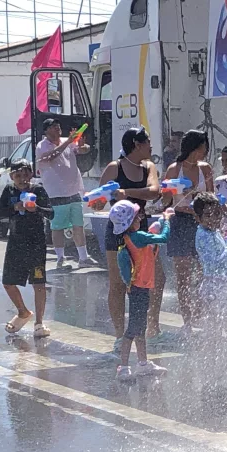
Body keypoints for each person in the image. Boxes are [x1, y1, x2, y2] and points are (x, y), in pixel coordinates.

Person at [94, 127, 163, 354]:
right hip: (117, 231)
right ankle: (118, 334)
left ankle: (149, 329)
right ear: (136, 143)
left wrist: (126, 192)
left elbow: (154, 191)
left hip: (141, 227)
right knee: (118, 283)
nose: (151, 146)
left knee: (151, 280)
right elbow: (97, 203)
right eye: (148, 142)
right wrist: (103, 196)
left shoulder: (148, 166)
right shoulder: (115, 168)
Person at [108, 200, 171, 381]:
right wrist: (166, 220)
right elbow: (164, 238)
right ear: (131, 221)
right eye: (138, 216)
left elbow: (146, 247)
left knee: (140, 327)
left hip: (138, 287)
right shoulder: (140, 237)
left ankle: (143, 363)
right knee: (133, 329)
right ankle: (124, 367)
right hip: (140, 288)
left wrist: (153, 229)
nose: (141, 218)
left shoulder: (131, 238)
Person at [162, 129, 215, 335]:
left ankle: (202, 314)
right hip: (181, 223)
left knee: (205, 272)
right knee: (183, 275)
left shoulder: (206, 168)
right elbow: (166, 200)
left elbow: (212, 196)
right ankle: (187, 321)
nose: (205, 151)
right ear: (195, 148)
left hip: (202, 223)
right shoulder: (175, 169)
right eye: (204, 147)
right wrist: (171, 192)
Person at [0, 159, 53, 337]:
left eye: (25, 175)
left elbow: (51, 213)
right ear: (12, 176)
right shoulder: (9, 191)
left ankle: (39, 323)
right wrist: (15, 207)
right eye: (17, 175)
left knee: (38, 283)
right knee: (8, 282)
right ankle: (23, 312)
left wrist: (36, 208)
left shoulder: (38, 190)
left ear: (31, 174)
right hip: (16, 241)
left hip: (36, 243)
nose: (22, 179)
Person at [35, 118, 95, 269]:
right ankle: (60, 258)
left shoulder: (65, 141)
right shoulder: (42, 146)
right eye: (54, 127)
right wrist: (68, 142)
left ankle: (83, 257)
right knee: (58, 226)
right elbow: (49, 157)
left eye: (58, 126)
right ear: (46, 130)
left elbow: (83, 149)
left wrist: (83, 146)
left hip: (74, 189)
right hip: (56, 192)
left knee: (78, 224)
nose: (58, 129)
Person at [193, 192, 227, 338]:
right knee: (220, 324)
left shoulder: (212, 232)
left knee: (222, 323)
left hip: (220, 284)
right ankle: (220, 352)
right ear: (197, 218)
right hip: (214, 286)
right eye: (208, 215)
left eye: (217, 214)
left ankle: (224, 350)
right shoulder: (204, 235)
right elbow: (215, 263)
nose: (214, 219)